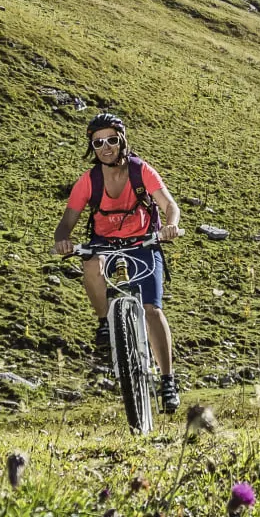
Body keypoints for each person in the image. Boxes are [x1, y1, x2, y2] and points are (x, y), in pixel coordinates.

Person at [53, 113, 186, 412]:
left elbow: (169, 205)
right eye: (97, 142)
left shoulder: (141, 171)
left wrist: (170, 226)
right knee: (90, 263)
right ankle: (104, 322)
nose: (105, 147)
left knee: (152, 310)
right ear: (92, 146)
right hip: (105, 244)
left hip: (143, 243)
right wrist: (63, 240)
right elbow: (66, 224)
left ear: (122, 140)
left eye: (111, 140)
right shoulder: (89, 181)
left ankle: (168, 380)